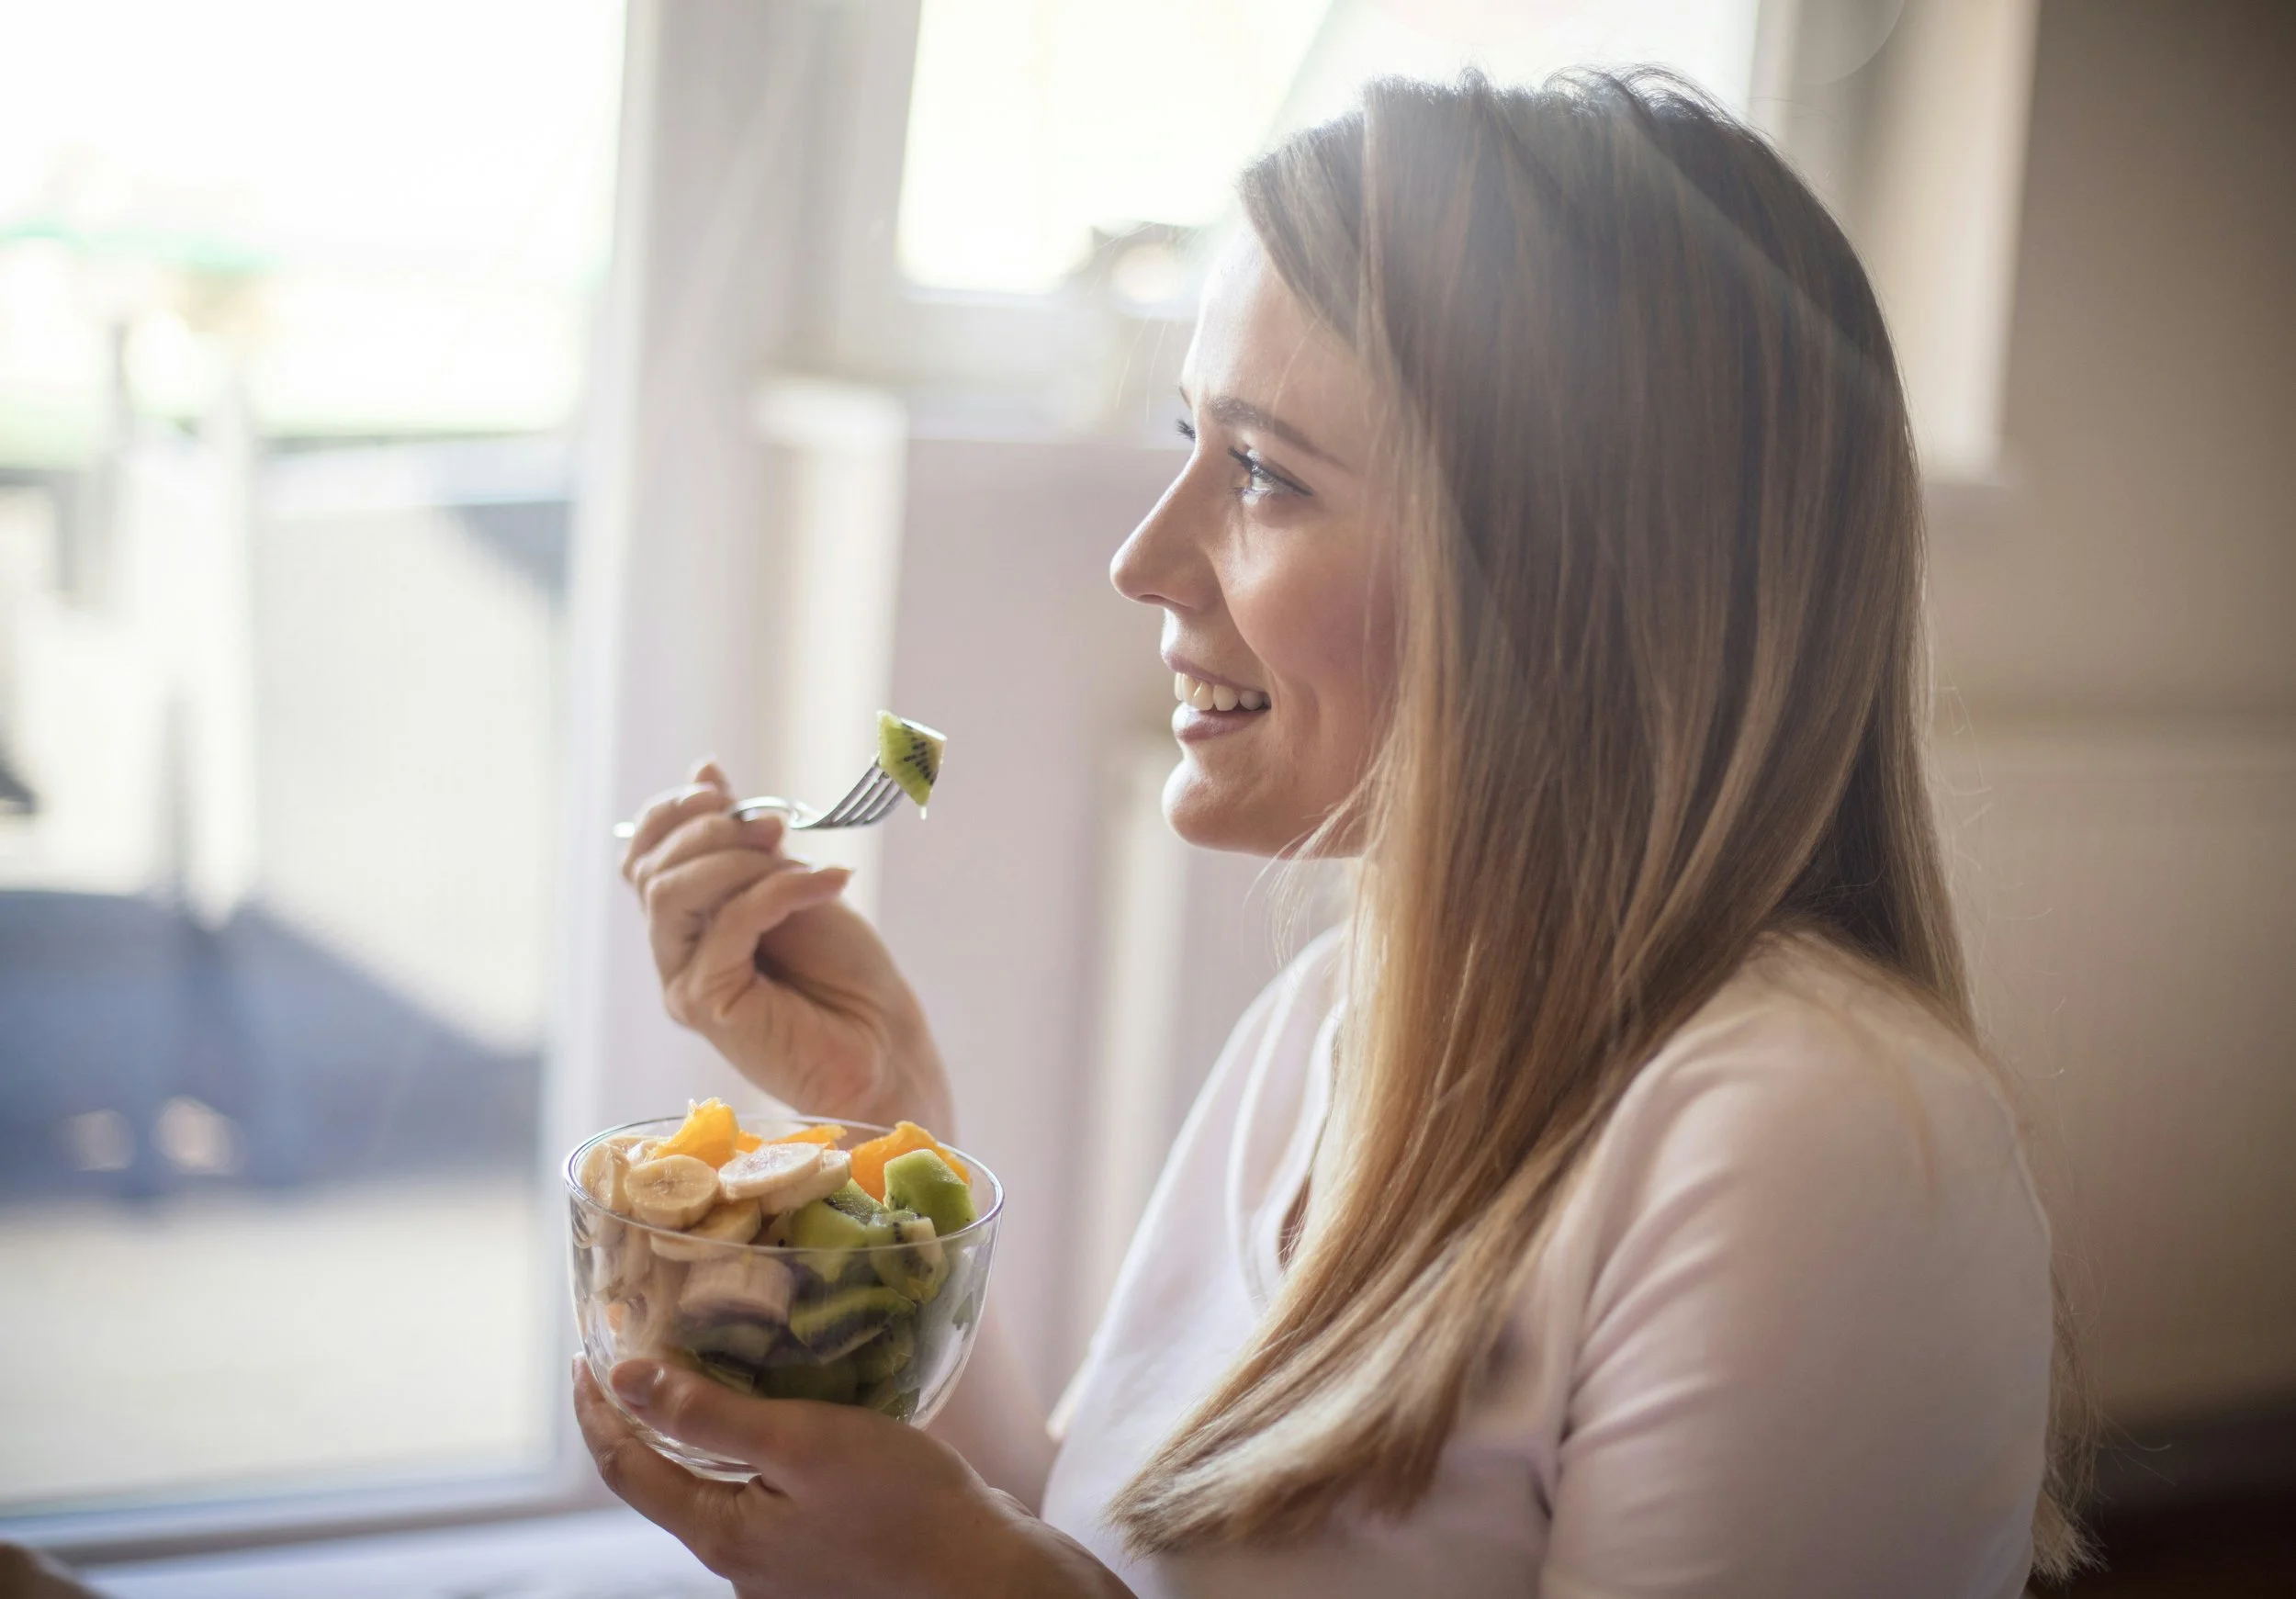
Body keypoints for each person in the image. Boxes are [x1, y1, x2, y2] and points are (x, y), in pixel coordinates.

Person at [579, 70, 2088, 1599]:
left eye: (1259, 472)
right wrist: (889, 1116)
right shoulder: (1329, 1030)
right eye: (1190, 436)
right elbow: (1105, 1544)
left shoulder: (1813, 1146)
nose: (1142, 558)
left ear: (1566, 585)